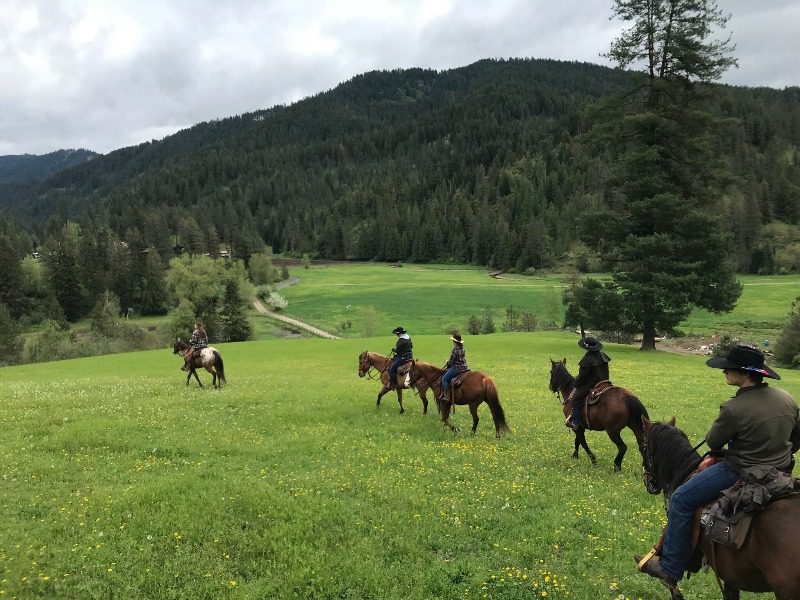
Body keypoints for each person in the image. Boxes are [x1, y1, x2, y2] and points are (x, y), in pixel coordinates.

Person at [637, 344, 800, 588]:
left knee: (681, 498)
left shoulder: (733, 409)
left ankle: (670, 567)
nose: (724, 372)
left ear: (744, 374)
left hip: (740, 470)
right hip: (781, 471)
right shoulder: (787, 398)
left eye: (729, 368)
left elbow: (713, 442)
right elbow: (797, 436)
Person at [566, 336, 611, 431]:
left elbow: (582, 377)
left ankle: (576, 422)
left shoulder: (587, 359)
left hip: (592, 384)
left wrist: (576, 383)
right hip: (605, 382)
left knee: (575, 399)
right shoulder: (602, 355)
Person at [439, 333, 469, 403]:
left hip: (457, 368)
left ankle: (447, 396)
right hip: (465, 367)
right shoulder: (462, 348)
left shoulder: (455, 349)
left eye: (453, 341)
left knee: (444, 379)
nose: (452, 342)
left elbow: (452, 362)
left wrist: (447, 363)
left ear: (455, 342)